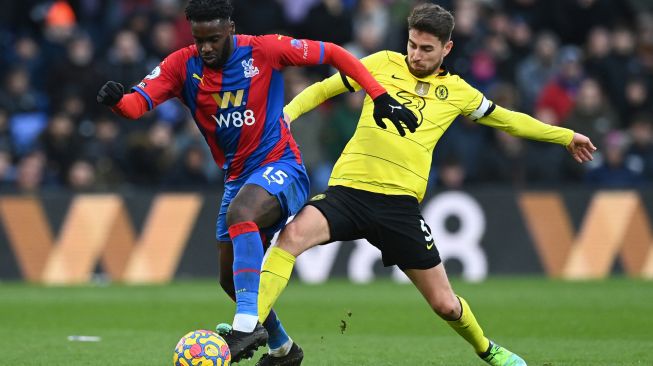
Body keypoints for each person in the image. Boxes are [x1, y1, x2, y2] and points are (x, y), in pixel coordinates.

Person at [252, 4, 596, 366]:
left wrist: (565, 136)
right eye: (412, 44)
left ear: (447, 48)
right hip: (348, 192)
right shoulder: (383, 62)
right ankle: (250, 324)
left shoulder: (458, 92)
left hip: (398, 207)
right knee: (289, 240)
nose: (415, 54)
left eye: (426, 48)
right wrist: (286, 115)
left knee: (445, 305)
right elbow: (324, 88)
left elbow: (509, 122)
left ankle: (487, 349)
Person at [96, 0, 417, 365]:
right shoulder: (181, 66)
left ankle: (247, 325)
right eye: (200, 40)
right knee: (231, 280)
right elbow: (137, 105)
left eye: (214, 39)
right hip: (237, 178)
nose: (206, 48)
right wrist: (117, 101)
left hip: (283, 166)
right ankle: (282, 349)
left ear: (230, 29)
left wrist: (379, 96)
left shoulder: (263, 50)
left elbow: (336, 53)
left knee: (242, 214)